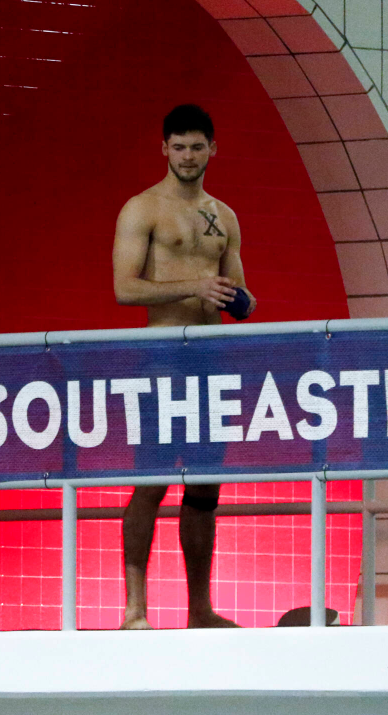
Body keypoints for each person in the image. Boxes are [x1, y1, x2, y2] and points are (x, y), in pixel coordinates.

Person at [111, 103, 255, 630]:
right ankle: (134, 611)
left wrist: (241, 300)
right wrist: (193, 286)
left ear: (213, 149)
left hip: (212, 361)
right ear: (164, 149)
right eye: (179, 146)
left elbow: (237, 288)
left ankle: (200, 611)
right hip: (162, 357)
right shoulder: (143, 209)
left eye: (197, 146)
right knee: (151, 481)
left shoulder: (225, 216)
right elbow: (125, 288)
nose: (188, 156)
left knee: (204, 487)